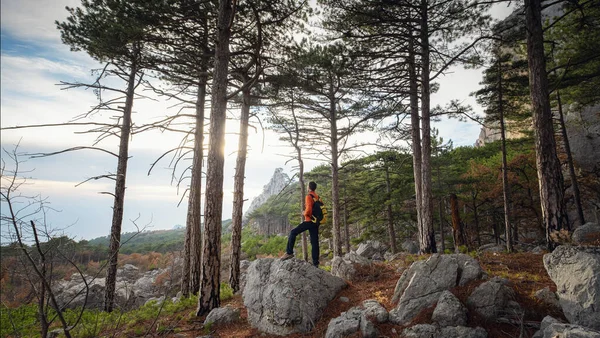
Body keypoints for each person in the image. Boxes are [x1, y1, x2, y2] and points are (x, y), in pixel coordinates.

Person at [281, 181, 321, 266]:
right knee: (314, 242)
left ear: (309, 187)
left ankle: (289, 252)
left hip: (309, 221)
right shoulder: (317, 197)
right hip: (316, 222)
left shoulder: (309, 196)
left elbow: (309, 209)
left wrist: (304, 213)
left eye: (307, 186)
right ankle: (315, 263)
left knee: (293, 232)